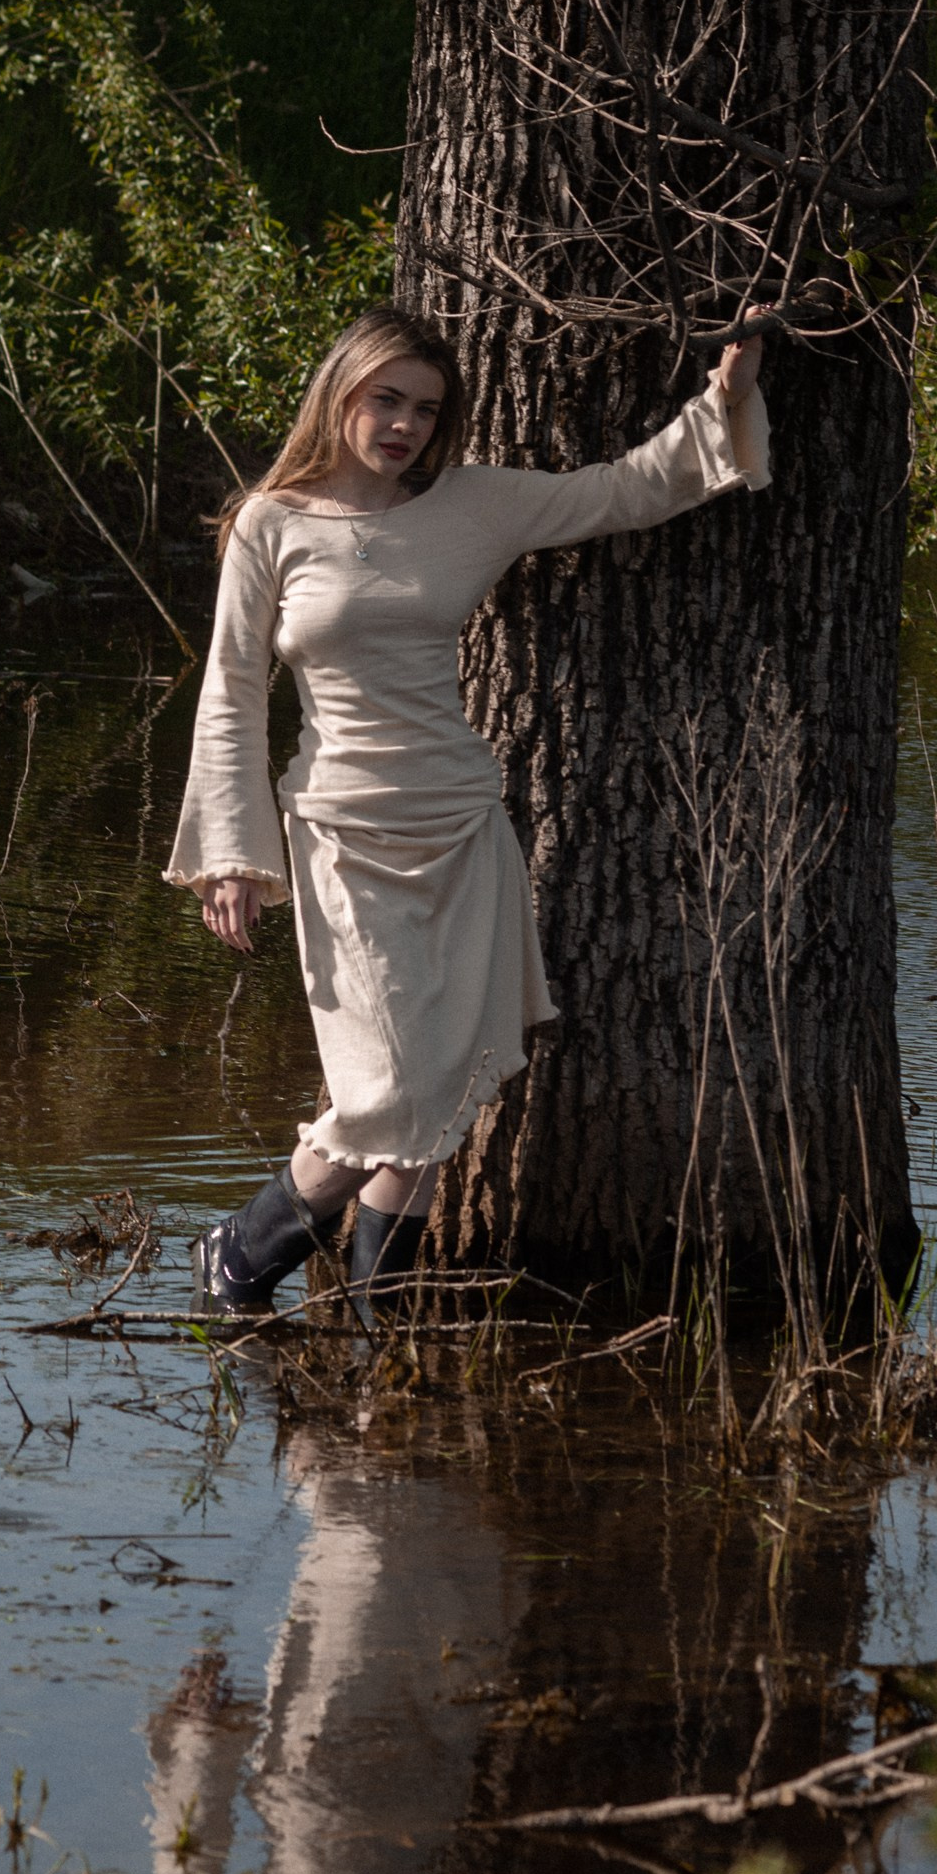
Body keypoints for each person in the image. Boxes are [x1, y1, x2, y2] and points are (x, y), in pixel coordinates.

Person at [165, 306, 769, 1320]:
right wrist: (231, 856)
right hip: (342, 837)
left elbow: (623, 491)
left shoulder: (472, 505)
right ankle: (240, 1249)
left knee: (442, 1097)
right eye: (385, 400)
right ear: (340, 392)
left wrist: (730, 394)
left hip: (461, 829)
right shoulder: (273, 522)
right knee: (386, 1095)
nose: (403, 425)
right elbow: (229, 691)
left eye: (426, 409)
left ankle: (379, 1318)